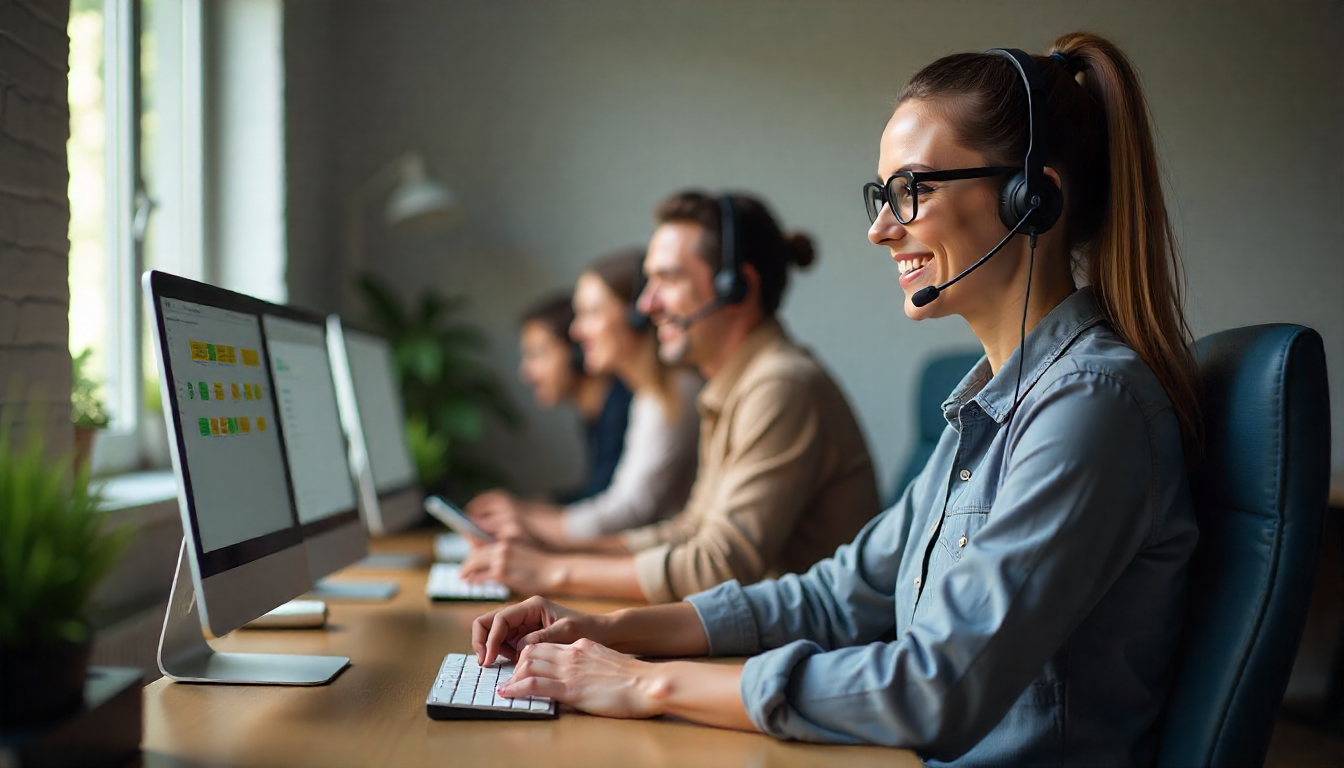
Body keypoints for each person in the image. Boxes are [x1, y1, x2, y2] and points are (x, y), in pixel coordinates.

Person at [470, 32, 1203, 767]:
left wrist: (646, 684)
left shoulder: (1090, 409)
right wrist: (609, 630)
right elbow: (835, 595)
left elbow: (934, 688)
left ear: (1032, 199)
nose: (881, 229)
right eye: (881, 196)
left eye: (911, 189)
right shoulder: (986, 409)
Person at [460, 190, 880, 603]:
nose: (645, 305)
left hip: (814, 652)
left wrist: (550, 572)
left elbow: (719, 566)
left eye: (668, 278)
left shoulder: (780, 387)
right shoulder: (735, 386)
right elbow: (690, 530)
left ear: (736, 288)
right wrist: (555, 551)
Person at [469, 247, 701, 544]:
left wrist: (530, 525)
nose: (577, 332)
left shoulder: (670, 394)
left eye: (592, 313)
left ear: (637, 316)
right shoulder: (648, 397)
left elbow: (628, 510)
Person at [515, 293, 632, 504]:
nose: (526, 373)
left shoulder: (624, 407)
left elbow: (611, 506)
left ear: (578, 349)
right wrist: (533, 507)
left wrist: (531, 516)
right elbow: (595, 491)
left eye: (537, 354)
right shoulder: (596, 413)